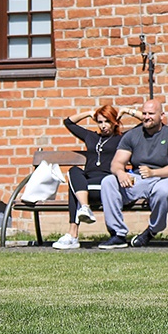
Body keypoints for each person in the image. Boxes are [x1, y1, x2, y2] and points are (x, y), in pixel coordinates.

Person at [98, 99, 168, 249]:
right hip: (138, 179)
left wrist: (153, 172)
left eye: (151, 113)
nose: (146, 117)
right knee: (108, 181)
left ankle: (151, 231)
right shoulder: (132, 135)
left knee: (165, 191)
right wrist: (121, 173)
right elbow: (116, 163)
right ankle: (118, 234)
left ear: (162, 115)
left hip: (164, 178)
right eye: (144, 113)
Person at [52, 105, 140, 249]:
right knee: (74, 171)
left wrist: (126, 111)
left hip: (106, 185)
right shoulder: (91, 137)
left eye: (107, 121)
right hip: (86, 186)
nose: (103, 126)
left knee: (74, 189)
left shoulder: (122, 138)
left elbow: (147, 121)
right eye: (100, 122)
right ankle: (85, 208)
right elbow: (68, 122)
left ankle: (72, 234)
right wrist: (88, 113)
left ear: (115, 122)